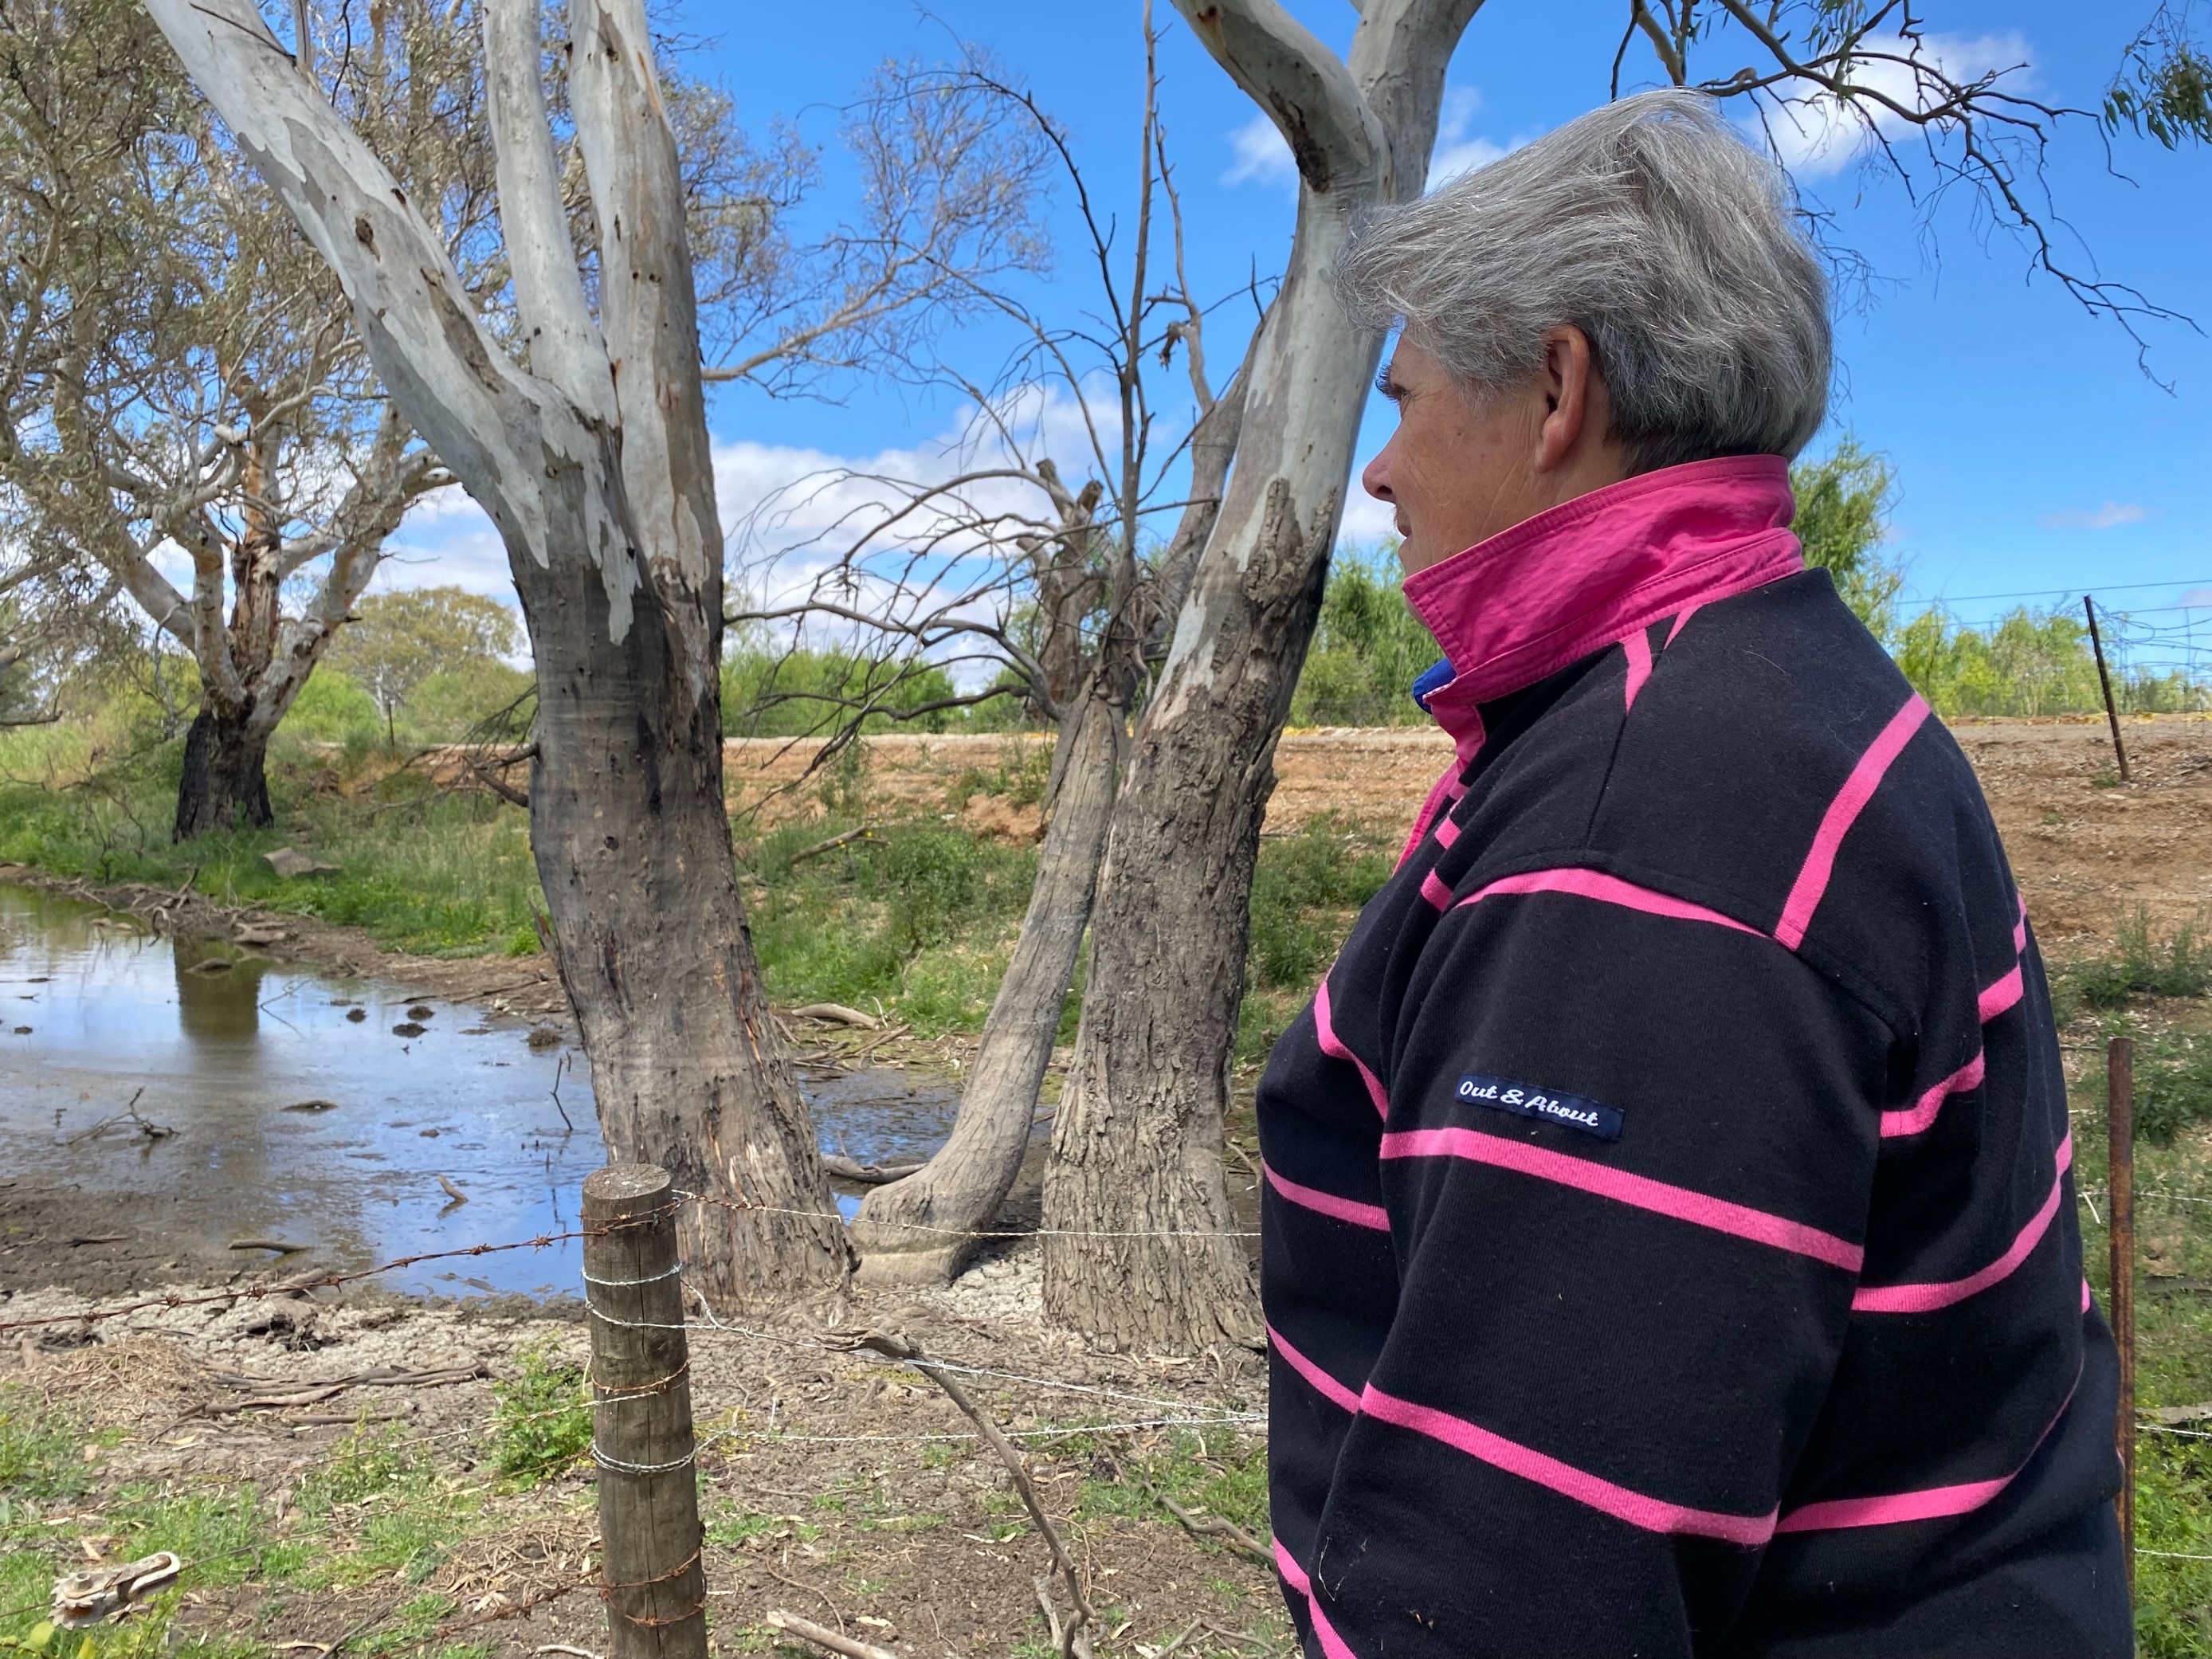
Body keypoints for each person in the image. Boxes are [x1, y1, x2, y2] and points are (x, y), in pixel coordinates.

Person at [1257, 89, 2128, 1658]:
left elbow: (1522, 1577)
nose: (1376, 471)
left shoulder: (1651, 811)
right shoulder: (1788, 693)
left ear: (1555, 388)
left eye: (1402, 399)